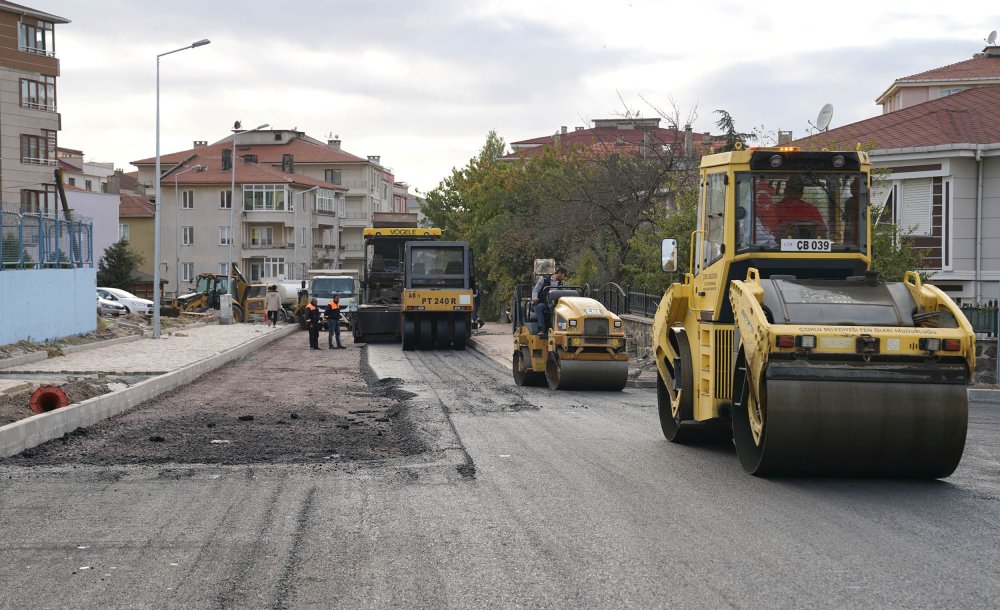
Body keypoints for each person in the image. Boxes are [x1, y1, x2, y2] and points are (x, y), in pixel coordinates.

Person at [760, 176, 827, 239]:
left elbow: (823, 230)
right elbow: (769, 233)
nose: (793, 194)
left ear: (801, 193)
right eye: (791, 190)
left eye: (796, 190)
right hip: (779, 248)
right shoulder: (775, 210)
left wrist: (813, 225)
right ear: (786, 191)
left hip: (810, 248)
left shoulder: (811, 209)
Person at [532, 266, 567, 339]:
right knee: (538, 307)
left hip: (555, 305)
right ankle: (542, 329)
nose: (564, 278)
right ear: (560, 273)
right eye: (563, 276)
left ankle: (556, 329)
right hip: (544, 303)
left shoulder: (561, 284)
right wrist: (534, 297)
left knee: (554, 308)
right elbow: (536, 290)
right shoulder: (543, 279)